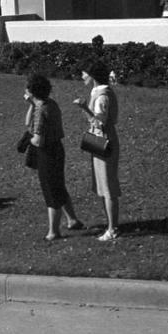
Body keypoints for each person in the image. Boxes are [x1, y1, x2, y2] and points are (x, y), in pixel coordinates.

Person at [24, 73, 84, 240]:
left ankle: (53, 231)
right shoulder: (50, 104)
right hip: (57, 149)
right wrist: (31, 103)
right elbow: (28, 123)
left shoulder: (41, 109)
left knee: (51, 191)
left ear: (32, 91)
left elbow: (39, 140)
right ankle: (72, 219)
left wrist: (29, 140)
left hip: (47, 153)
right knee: (59, 186)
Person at [73, 60, 122, 241]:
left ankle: (113, 228)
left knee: (108, 186)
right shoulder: (97, 92)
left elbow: (100, 123)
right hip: (100, 140)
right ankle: (110, 225)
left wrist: (84, 107)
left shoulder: (102, 96)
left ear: (92, 76)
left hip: (105, 141)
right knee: (102, 184)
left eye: (84, 73)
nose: (82, 76)